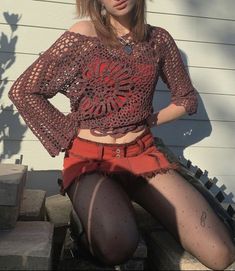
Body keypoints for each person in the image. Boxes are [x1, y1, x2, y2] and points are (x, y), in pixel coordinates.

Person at [8, 0, 235, 269]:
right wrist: (68, 133)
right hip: (89, 160)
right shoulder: (83, 34)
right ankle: (80, 229)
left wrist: (147, 120)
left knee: (220, 254)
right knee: (118, 247)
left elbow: (185, 98)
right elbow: (24, 90)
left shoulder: (158, 39)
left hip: (143, 154)